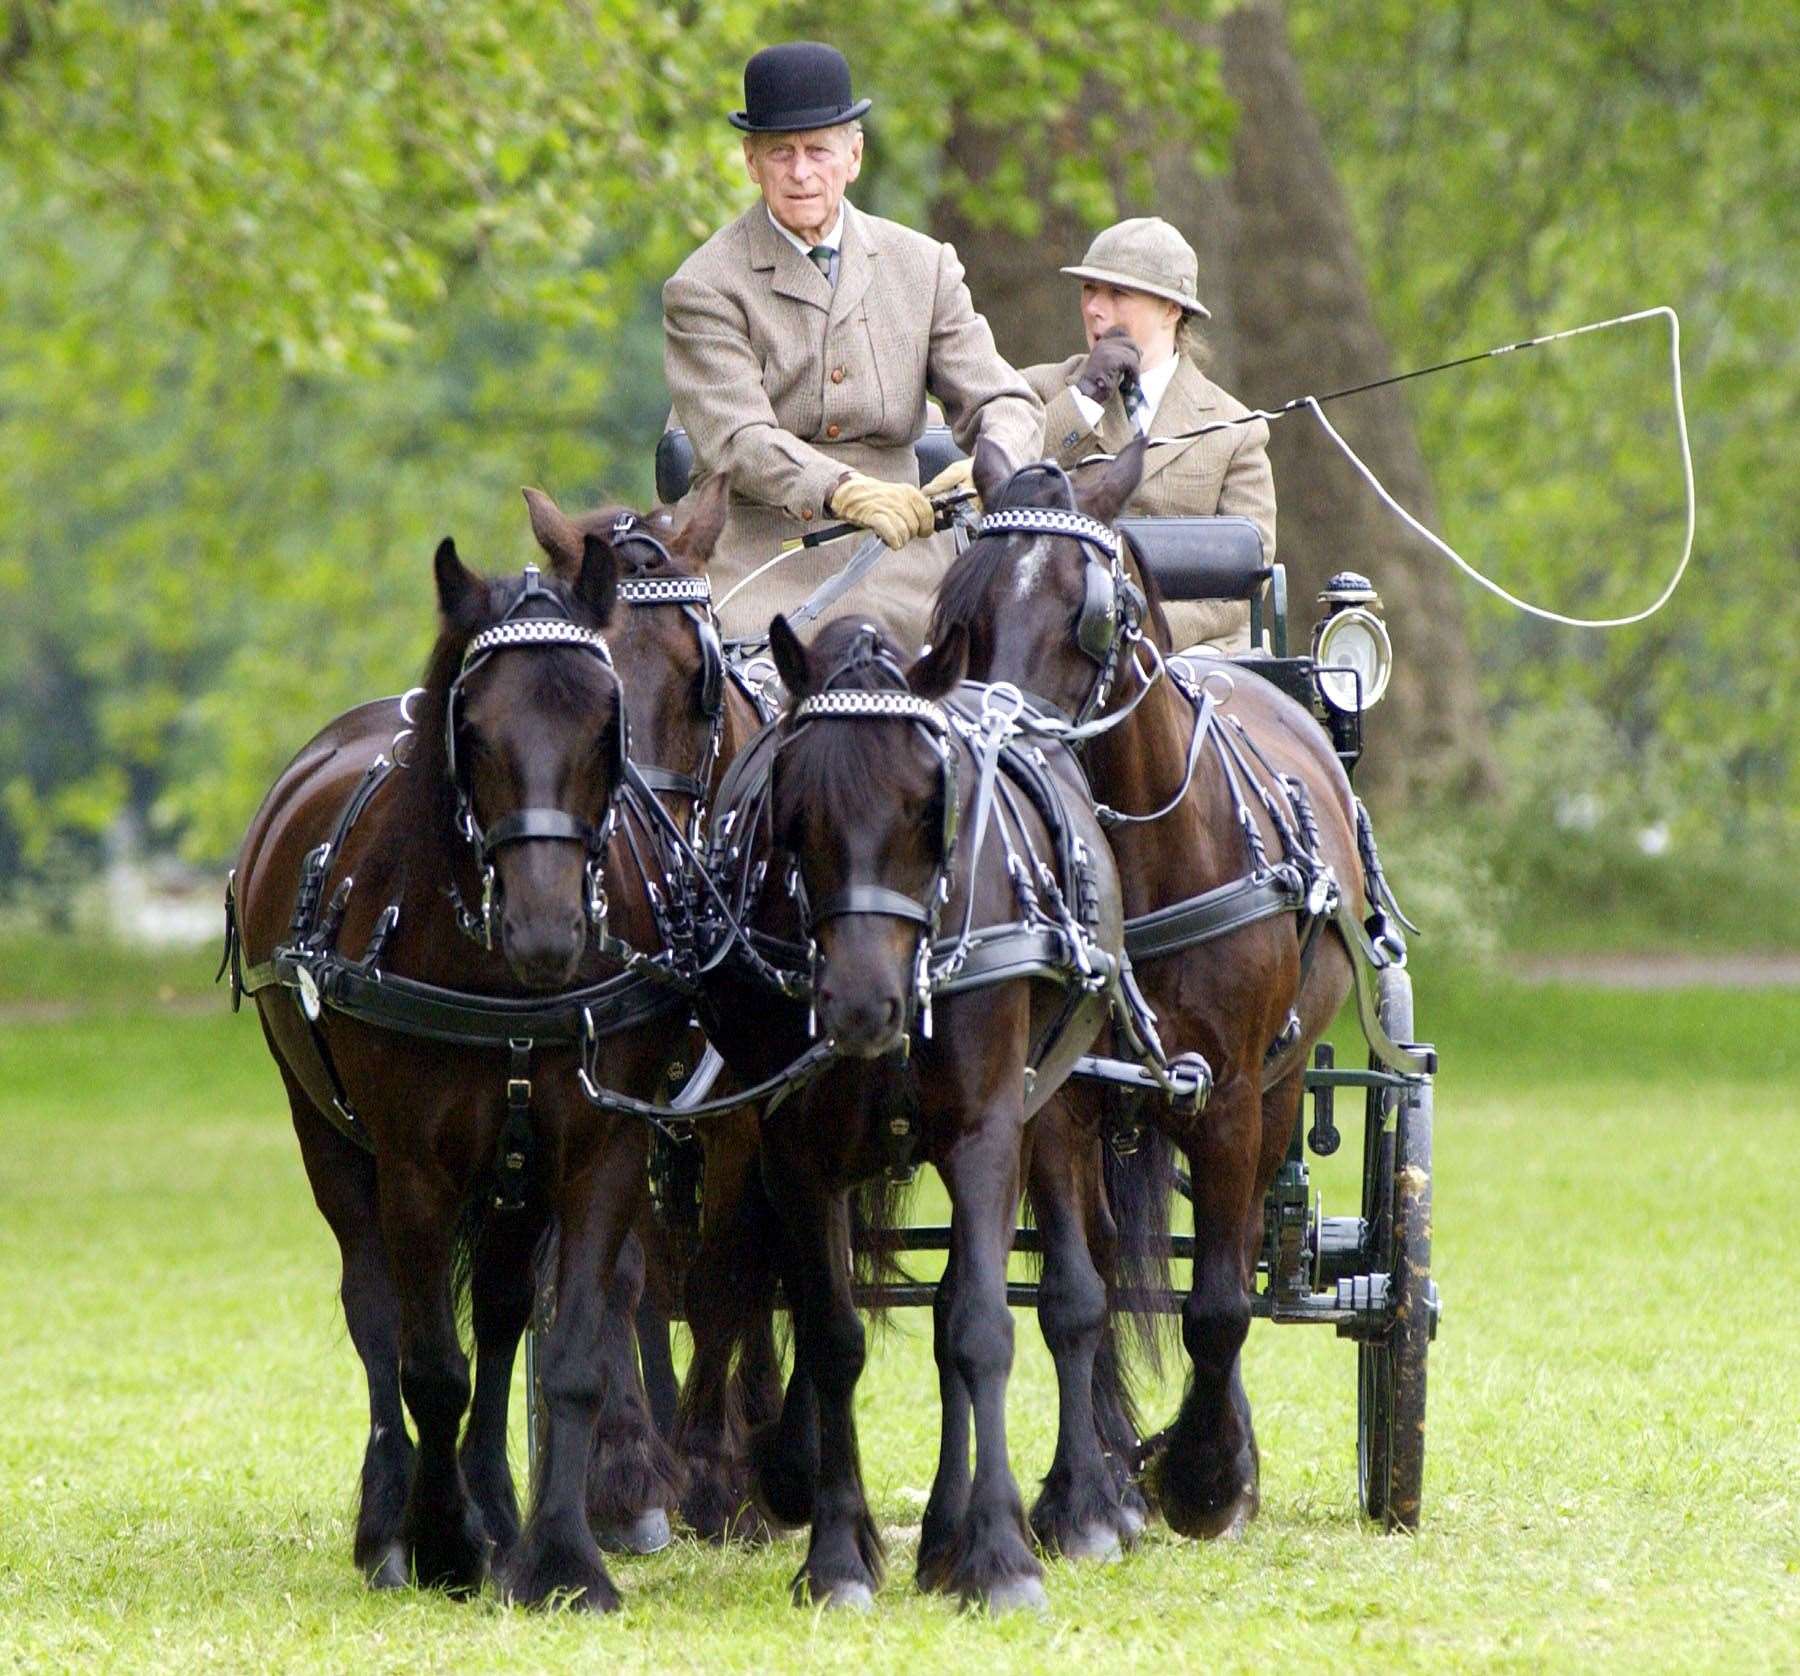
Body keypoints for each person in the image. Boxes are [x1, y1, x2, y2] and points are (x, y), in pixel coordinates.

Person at [663, 41, 1041, 649]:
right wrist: (843, 490)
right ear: (750, 162)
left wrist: (994, 459)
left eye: (818, 150)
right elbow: (740, 440)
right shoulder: (704, 286)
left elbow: (1007, 397)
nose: (801, 172)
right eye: (780, 153)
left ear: (854, 155)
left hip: (910, 565)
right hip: (762, 566)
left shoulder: (924, 265)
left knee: (1004, 700)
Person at [1020, 217, 1276, 654]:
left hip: (1192, 656)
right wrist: (1084, 400)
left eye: (1118, 294)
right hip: (1059, 645)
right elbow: (1003, 481)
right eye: (1089, 290)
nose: (1095, 308)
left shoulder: (1238, 429)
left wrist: (1134, 623)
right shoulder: (1040, 392)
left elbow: (1245, 583)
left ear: (1172, 310)